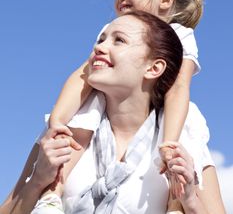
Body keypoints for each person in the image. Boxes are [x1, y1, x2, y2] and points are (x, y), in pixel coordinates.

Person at [0, 12, 225, 213]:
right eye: (101, 39)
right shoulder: (65, 130)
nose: (99, 47)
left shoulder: (182, 142)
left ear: (153, 68)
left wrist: (190, 200)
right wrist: (39, 179)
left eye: (119, 40)